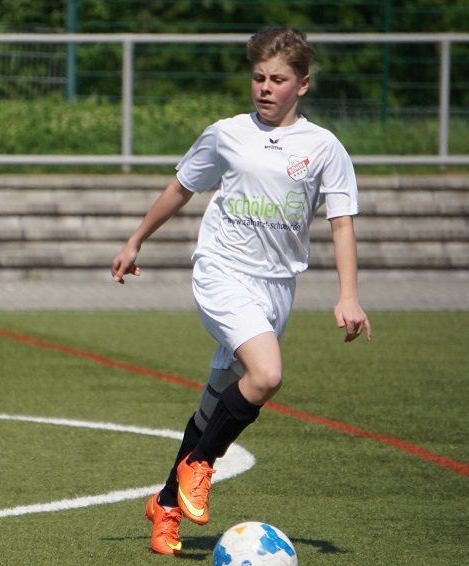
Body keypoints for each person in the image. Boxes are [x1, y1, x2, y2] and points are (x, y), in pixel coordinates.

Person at [110, 27, 372, 556]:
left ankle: (165, 506)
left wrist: (349, 295)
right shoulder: (226, 134)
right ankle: (199, 465)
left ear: (303, 84)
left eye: (278, 79)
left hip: (277, 288)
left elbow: (341, 222)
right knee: (267, 375)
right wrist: (136, 240)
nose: (265, 88)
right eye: (258, 77)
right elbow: (181, 186)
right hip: (222, 272)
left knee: (215, 406)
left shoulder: (324, 147)